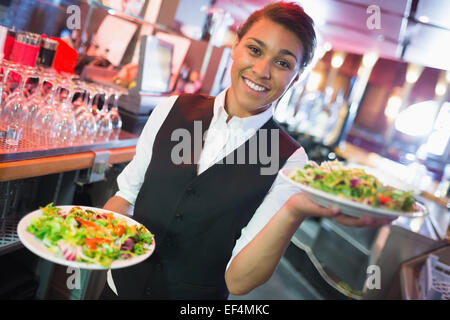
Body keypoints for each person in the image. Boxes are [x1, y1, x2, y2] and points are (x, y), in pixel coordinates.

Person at [99, 1, 391, 300]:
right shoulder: (172, 108)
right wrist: (103, 242)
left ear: (297, 76)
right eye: (254, 50)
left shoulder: (290, 161)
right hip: (116, 290)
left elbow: (239, 282)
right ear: (235, 46)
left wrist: (294, 211)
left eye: (282, 63)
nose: (262, 70)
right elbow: (126, 197)